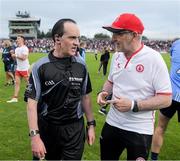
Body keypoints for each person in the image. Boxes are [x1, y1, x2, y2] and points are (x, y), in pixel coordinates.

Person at [97, 13, 172, 160]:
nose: (113, 38)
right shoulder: (117, 56)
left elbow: (166, 99)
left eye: (118, 33)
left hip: (140, 130)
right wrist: (104, 92)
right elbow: (111, 81)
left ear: (134, 35)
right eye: (113, 33)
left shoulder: (154, 59)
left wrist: (133, 105)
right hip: (112, 123)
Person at [25, 18, 95, 160]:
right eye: (72, 37)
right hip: (48, 128)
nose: (77, 42)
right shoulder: (40, 66)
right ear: (57, 38)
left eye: (78, 38)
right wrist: (35, 137)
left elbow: (85, 97)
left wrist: (91, 124)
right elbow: (31, 104)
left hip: (74, 129)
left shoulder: (81, 65)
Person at [151, 39, 180, 160]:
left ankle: (153, 158)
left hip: (170, 94)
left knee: (160, 127)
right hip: (171, 95)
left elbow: (172, 58)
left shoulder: (176, 43)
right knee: (160, 127)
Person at [7, 35, 30, 103]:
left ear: (22, 40)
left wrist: (15, 55)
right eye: (17, 39)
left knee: (29, 84)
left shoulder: (25, 48)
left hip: (25, 69)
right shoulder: (16, 49)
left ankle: (32, 97)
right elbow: (15, 59)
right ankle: (15, 98)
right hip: (18, 68)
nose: (17, 40)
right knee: (17, 83)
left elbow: (24, 58)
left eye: (18, 39)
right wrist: (12, 54)